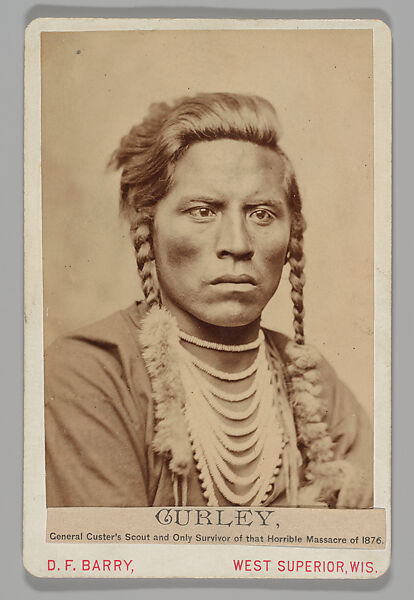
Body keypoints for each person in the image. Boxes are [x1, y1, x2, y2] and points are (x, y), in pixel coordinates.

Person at [45, 93, 373, 509]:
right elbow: (118, 566)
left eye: (262, 214)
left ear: (293, 234)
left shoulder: (312, 381)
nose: (237, 244)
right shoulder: (90, 373)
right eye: (203, 211)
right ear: (147, 226)